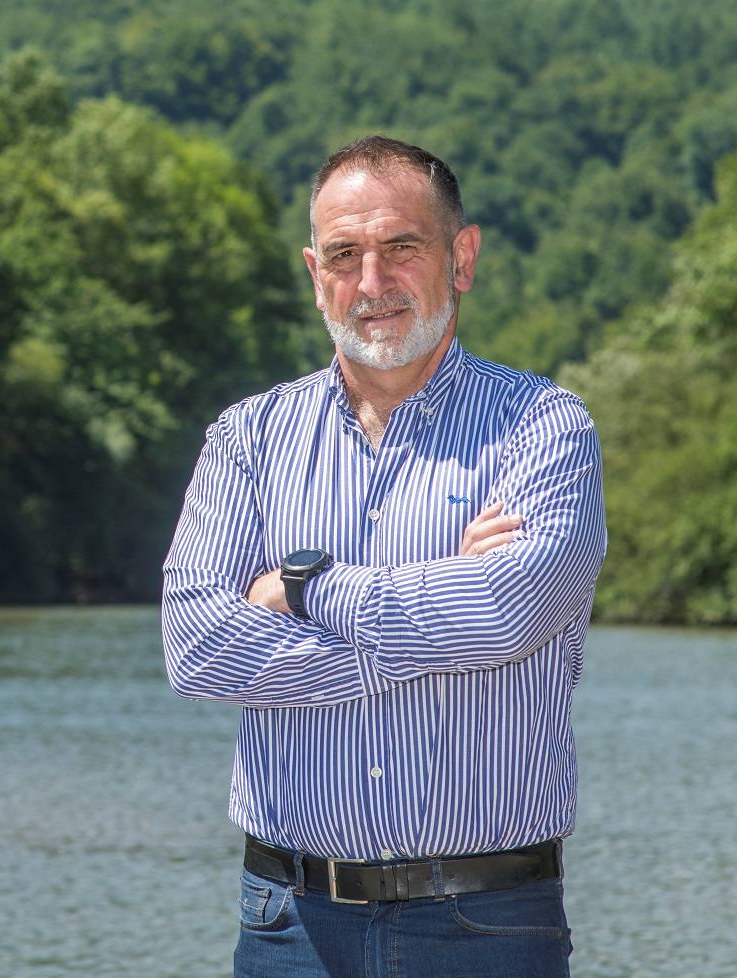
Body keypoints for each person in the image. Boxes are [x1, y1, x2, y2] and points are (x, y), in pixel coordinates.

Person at [161, 135, 606, 978]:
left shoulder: (545, 428)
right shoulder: (247, 439)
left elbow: (505, 613)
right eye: (344, 255)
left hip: (487, 925)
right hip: (289, 926)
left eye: (402, 247)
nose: (371, 282)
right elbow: (196, 649)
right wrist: (437, 607)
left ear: (461, 258)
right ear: (314, 273)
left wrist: (303, 588)